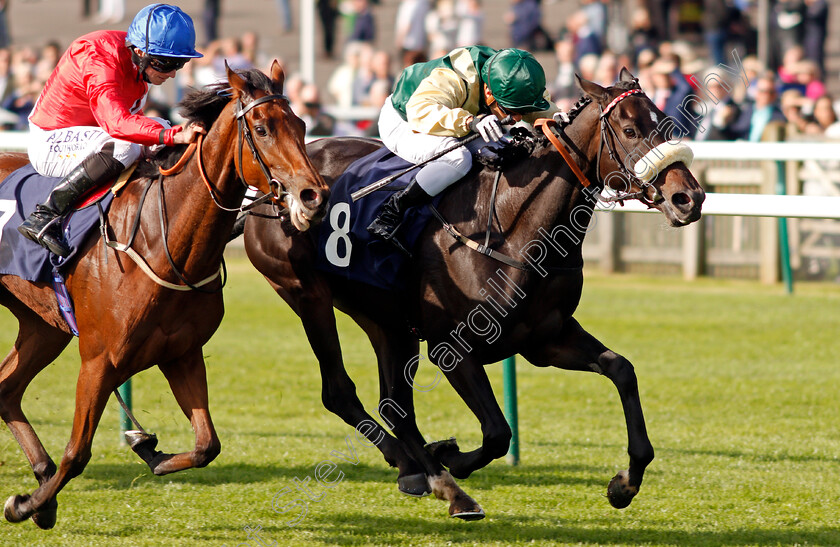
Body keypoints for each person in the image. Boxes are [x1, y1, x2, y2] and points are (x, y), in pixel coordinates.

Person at [18, 3, 205, 258]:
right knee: (131, 143)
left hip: (91, 139)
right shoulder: (98, 57)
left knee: (160, 128)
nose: (172, 73)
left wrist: (169, 135)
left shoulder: (138, 64)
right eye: (166, 63)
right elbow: (116, 123)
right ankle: (45, 215)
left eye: (179, 64)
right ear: (140, 52)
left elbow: (132, 122)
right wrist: (174, 134)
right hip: (51, 141)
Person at [368, 46, 559, 240]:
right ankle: (393, 210)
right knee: (458, 159)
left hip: (458, 116)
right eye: (510, 111)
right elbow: (419, 111)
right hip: (407, 120)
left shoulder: (510, 74)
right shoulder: (456, 78)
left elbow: (539, 106)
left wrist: (559, 118)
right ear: (488, 91)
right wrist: (469, 122)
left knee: (506, 152)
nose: (517, 118)